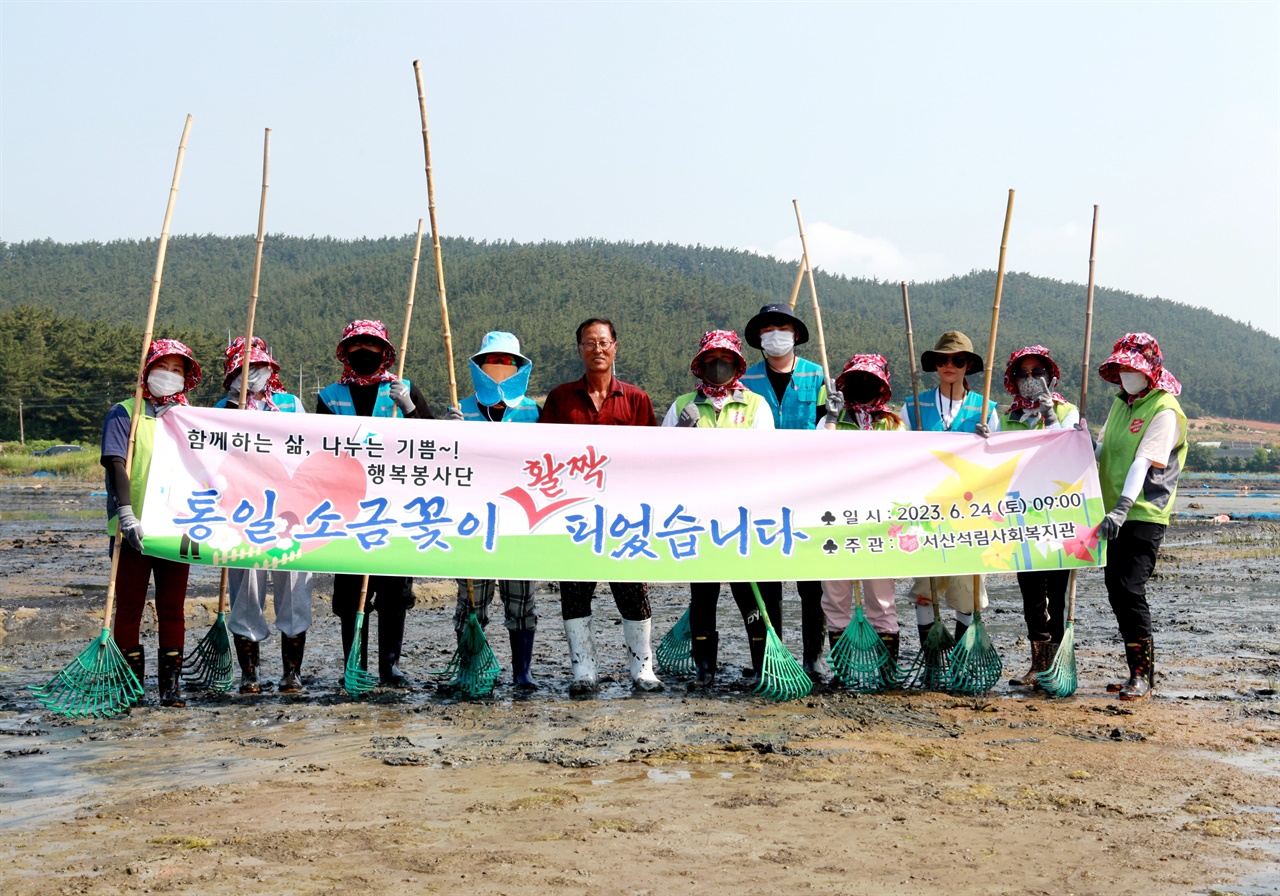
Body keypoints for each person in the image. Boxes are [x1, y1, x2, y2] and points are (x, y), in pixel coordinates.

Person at [539, 317, 662, 694]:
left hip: (624, 516)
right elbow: (539, 453)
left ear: (615, 347)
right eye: (589, 343)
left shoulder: (637, 399)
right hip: (573, 514)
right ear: (579, 350)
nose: (597, 349)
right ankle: (584, 671)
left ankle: (642, 669)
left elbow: (655, 456)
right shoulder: (560, 399)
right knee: (575, 591)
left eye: (603, 342)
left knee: (632, 590)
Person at [316, 319, 434, 688]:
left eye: (371, 346)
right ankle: (356, 663)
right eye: (356, 346)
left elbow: (433, 441)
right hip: (348, 510)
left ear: (385, 351)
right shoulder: (329, 396)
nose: (363, 352)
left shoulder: (404, 388)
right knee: (352, 592)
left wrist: (410, 407)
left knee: (394, 591)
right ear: (345, 351)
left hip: (394, 508)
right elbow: (318, 449)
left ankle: (390, 665)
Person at [661, 329, 775, 690]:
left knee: (749, 594)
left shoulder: (755, 405)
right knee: (703, 594)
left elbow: (767, 459)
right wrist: (681, 430)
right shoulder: (682, 406)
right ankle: (704, 669)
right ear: (700, 365)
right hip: (699, 518)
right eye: (710, 360)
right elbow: (661, 459)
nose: (718, 366)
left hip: (743, 521)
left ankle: (760, 666)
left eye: (725, 360)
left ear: (737, 363)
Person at [101, 338, 203, 707]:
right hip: (132, 529)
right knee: (128, 607)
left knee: (172, 608)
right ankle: (131, 687)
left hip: (176, 529)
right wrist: (125, 512)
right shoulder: (125, 412)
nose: (170, 376)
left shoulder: (191, 419)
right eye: (165, 368)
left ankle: (171, 690)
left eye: (179, 371)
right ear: (148, 370)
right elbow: (115, 463)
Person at [442, 331, 541, 691]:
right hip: (473, 523)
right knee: (471, 603)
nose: (499, 368)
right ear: (479, 366)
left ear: (518, 367)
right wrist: (448, 436)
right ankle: (471, 666)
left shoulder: (532, 411)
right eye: (492, 361)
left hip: (519, 522)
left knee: (521, 602)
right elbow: (443, 464)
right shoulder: (462, 410)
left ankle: (522, 672)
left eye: (507, 361)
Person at [739, 303, 831, 683]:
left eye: (783, 327)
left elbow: (831, 428)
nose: (775, 334)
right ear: (759, 338)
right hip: (760, 491)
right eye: (768, 329)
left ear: (796, 334)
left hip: (809, 490)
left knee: (812, 581)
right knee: (767, 578)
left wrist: (834, 416)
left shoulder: (817, 375)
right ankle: (768, 655)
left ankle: (814, 657)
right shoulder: (745, 379)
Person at [214, 336, 312, 694]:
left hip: (291, 512)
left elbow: (307, 448)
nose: (252, 375)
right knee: (246, 592)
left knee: (294, 590)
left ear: (271, 368)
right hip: (243, 516)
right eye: (244, 368)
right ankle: (250, 673)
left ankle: (292, 673)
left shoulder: (290, 404)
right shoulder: (220, 410)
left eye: (258, 367)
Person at [1095, 333, 1186, 701]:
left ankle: (1143, 675)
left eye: (1132, 367)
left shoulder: (1164, 409)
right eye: (1121, 368)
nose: (1125, 373)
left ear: (1150, 370)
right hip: (1112, 512)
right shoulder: (1122, 403)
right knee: (1116, 590)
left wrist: (1122, 508)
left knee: (1131, 588)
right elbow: (1104, 450)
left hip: (1143, 511)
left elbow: (1142, 461)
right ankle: (1136, 669)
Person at [902, 330, 1000, 644]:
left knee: (966, 587)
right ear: (935, 363)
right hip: (926, 510)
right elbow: (899, 458)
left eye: (958, 360)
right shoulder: (913, 406)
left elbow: (996, 466)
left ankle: (961, 658)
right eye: (943, 359)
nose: (950, 365)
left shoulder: (986, 408)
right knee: (926, 588)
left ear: (968, 365)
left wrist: (988, 442)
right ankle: (932, 658)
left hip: (970, 513)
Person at [999, 346, 1081, 687]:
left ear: (1051, 376)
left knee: (1056, 594)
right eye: (1023, 374)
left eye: (1037, 372)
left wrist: (1050, 418)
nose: (1030, 379)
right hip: (1021, 518)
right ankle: (1038, 664)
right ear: (1013, 381)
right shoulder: (1009, 418)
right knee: (1031, 593)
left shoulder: (1068, 410)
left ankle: (1058, 666)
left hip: (1058, 515)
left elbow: (1070, 450)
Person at [818, 354, 905, 663]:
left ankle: (885, 669)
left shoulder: (893, 425)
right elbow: (816, 461)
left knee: (881, 598)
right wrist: (830, 419)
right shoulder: (831, 421)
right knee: (835, 596)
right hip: (834, 523)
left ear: (882, 385)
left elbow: (903, 471)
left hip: (877, 523)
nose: (863, 385)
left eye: (871, 380)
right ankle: (843, 668)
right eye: (857, 379)